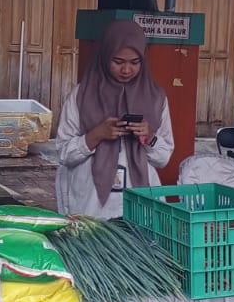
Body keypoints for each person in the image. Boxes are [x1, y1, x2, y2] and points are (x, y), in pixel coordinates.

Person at [56, 19, 174, 218]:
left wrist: (149, 137)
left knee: (139, 237)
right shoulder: (82, 96)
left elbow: (163, 159)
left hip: (140, 203)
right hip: (90, 204)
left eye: (134, 62)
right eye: (118, 62)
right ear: (105, 56)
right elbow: (64, 154)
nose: (126, 70)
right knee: (91, 238)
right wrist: (96, 135)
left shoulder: (156, 98)